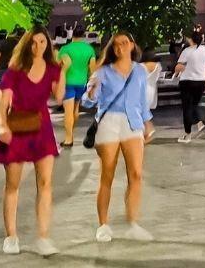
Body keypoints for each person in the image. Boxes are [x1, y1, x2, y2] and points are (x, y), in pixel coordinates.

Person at [0, 27, 64, 257]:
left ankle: (43, 237)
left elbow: (59, 97)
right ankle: (11, 236)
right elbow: (2, 102)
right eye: (34, 42)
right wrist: (2, 125)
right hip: (17, 128)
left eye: (42, 42)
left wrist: (63, 72)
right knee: (13, 184)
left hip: (42, 129)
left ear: (48, 45)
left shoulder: (52, 68)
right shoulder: (15, 69)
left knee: (46, 183)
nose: (38, 46)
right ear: (26, 44)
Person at [85, 31, 154, 243]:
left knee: (136, 174)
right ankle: (103, 225)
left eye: (124, 43)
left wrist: (147, 122)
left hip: (133, 123)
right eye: (116, 44)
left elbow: (142, 100)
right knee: (107, 175)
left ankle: (133, 223)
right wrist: (91, 92)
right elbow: (88, 101)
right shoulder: (103, 72)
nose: (120, 47)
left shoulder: (139, 71)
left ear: (132, 45)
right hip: (109, 123)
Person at [57, 25, 98, 147]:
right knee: (75, 109)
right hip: (82, 83)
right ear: (83, 35)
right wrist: (92, 85)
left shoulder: (65, 49)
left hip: (68, 83)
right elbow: (93, 69)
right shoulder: (89, 49)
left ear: (72, 35)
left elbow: (59, 65)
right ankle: (71, 133)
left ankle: (68, 139)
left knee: (68, 111)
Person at [173, 31, 205, 142]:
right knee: (194, 105)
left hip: (187, 81)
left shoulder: (187, 51)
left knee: (187, 108)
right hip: (201, 82)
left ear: (191, 39)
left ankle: (188, 134)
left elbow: (178, 67)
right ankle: (199, 124)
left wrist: (178, 70)